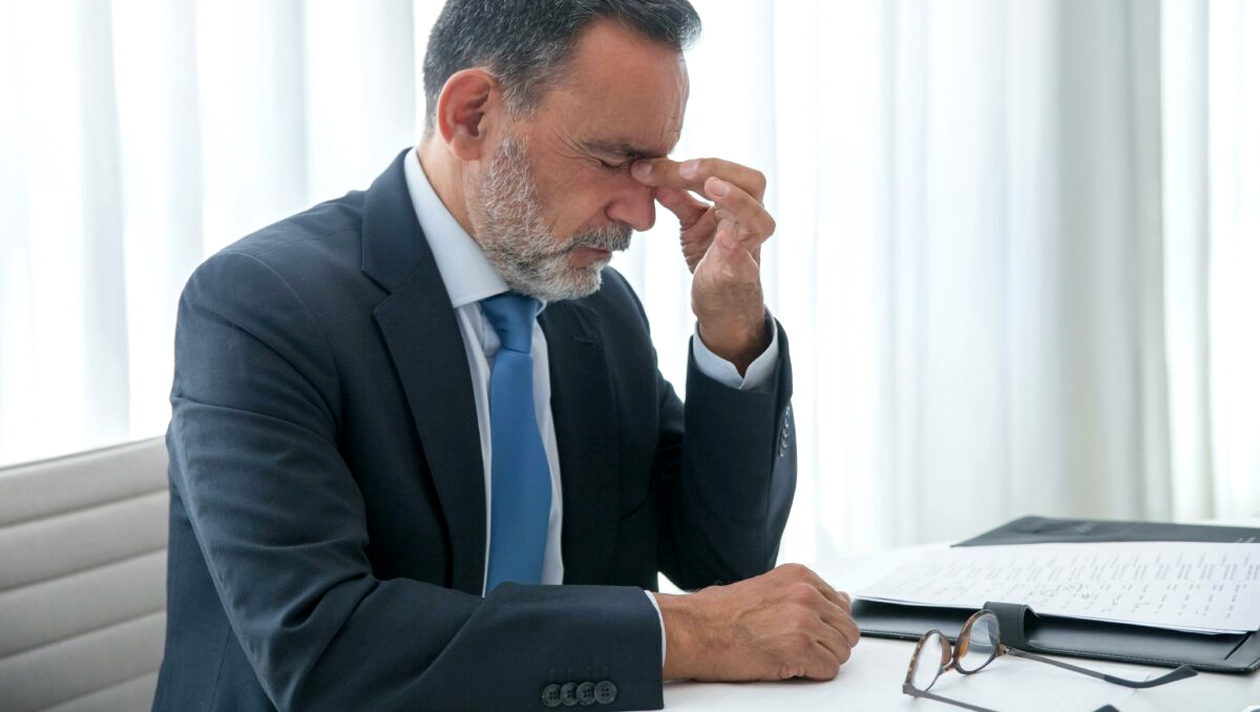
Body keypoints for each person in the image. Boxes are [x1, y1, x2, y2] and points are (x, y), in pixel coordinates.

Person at [153, 1, 858, 710]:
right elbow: (324, 648)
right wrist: (686, 632)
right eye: (613, 160)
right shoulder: (260, 306)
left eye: (651, 171)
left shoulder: (597, 308)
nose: (643, 216)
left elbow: (723, 563)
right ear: (471, 117)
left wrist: (732, 328)